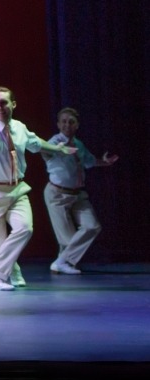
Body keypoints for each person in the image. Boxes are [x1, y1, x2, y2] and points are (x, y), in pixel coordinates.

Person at [0, 87, 77, 291]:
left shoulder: (20, 128)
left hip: (17, 190)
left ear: (13, 104)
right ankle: (12, 271)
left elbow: (36, 143)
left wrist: (58, 148)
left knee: (25, 228)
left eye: (3, 102)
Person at [42, 106, 117, 274]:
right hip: (57, 195)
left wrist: (105, 162)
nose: (67, 125)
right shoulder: (54, 142)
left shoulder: (79, 145)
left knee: (92, 226)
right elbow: (44, 151)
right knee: (68, 240)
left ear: (77, 125)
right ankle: (63, 263)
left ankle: (61, 262)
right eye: (63, 122)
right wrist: (51, 149)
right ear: (58, 124)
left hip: (77, 195)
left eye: (71, 122)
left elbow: (90, 162)